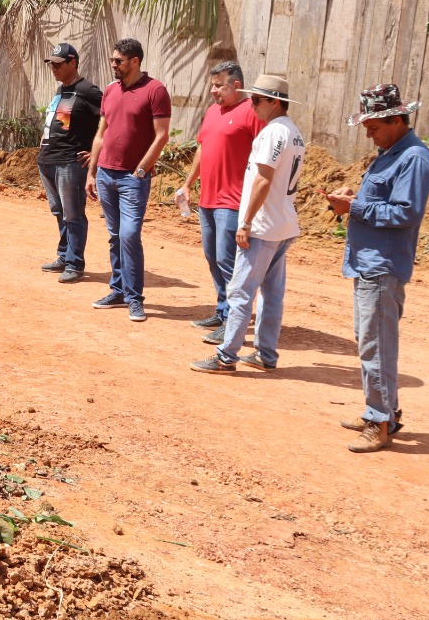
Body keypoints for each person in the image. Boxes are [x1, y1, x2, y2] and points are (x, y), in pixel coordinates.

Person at [323, 84, 429, 453]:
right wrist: (354, 200)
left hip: (383, 265)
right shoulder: (390, 152)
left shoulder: (413, 158)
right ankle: (383, 410)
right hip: (369, 262)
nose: (368, 133)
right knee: (370, 341)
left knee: (377, 345)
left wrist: (354, 209)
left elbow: (406, 212)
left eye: (373, 126)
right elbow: (385, 202)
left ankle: (380, 421)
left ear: (396, 119)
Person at [189, 76, 304, 375]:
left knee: (241, 292)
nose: (251, 105)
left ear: (274, 102)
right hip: (283, 223)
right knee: (272, 294)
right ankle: (265, 353)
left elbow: (263, 180)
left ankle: (227, 356)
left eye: (257, 100)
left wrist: (247, 222)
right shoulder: (294, 133)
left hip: (263, 225)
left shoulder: (272, 133)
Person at [85, 38, 171, 322]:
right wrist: (92, 171)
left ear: (135, 61)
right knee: (114, 235)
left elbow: (161, 135)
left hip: (133, 178)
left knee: (129, 235)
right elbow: (101, 133)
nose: (113, 65)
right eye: (112, 60)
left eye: (118, 61)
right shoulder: (110, 90)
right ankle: (118, 290)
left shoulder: (155, 90)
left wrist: (143, 169)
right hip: (106, 174)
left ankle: (135, 298)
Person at [176, 61, 264, 331]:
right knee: (213, 257)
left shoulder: (252, 112)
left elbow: (264, 156)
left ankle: (235, 318)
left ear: (236, 85)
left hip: (234, 201)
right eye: (211, 85)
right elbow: (202, 148)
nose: (213, 91)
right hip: (208, 200)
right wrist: (189, 184)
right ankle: (224, 310)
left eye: (218, 86)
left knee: (229, 261)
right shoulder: (213, 111)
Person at [37, 43, 102, 284]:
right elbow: (61, 125)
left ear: (73, 63)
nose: (53, 68)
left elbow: (111, 121)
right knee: (59, 212)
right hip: (49, 160)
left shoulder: (89, 91)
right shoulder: (62, 90)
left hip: (70, 162)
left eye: (58, 63)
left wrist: (97, 153)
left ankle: (75, 264)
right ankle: (64, 257)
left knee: (73, 214)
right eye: (51, 64)